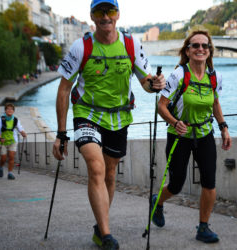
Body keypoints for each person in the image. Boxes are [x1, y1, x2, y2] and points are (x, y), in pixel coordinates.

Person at [52, 0, 165, 248]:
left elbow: (145, 81)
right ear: (92, 16)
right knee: (96, 166)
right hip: (87, 114)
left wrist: (154, 84)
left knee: (111, 174)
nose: (106, 16)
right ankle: (106, 234)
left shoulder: (131, 44)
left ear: (118, 15)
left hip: (119, 117)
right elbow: (63, 90)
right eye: (100, 12)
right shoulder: (80, 47)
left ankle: (98, 227)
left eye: (110, 11)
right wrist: (61, 133)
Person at [154, 30, 232, 243]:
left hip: (205, 133)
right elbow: (161, 106)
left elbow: (215, 103)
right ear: (187, 51)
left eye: (204, 46)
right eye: (195, 45)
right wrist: (175, 122)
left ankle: (203, 227)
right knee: (177, 183)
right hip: (179, 135)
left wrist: (223, 127)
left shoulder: (214, 77)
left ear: (209, 51)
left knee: (209, 181)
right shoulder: (179, 75)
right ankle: (157, 202)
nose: (200, 49)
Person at [0, 103, 27, 180]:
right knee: (3, 158)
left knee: (12, 157)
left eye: (11, 109)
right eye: (8, 109)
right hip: (3, 141)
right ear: (5, 110)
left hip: (13, 140)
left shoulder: (15, 119)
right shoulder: (1, 119)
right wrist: (0, 137)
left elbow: (20, 128)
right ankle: (1, 166)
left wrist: (23, 133)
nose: (10, 110)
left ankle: (10, 173)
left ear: (13, 111)